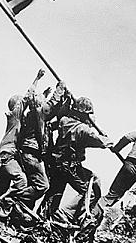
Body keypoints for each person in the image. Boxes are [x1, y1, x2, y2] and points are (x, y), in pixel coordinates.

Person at [41, 97, 113, 242]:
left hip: (56, 163)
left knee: (55, 192)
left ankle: (44, 219)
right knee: (92, 188)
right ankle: (65, 216)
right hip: (70, 165)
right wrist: (105, 138)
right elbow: (102, 142)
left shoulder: (64, 121)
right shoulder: (83, 130)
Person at [0, 69, 45, 215]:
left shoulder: (16, 120)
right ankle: (2, 204)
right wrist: (37, 79)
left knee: (1, 187)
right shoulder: (15, 115)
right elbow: (27, 96)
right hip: (8, 155)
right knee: (21, 180)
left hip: (7, 155)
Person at [17, 80, 67, 209]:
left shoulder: (33, 117)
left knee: (33, 185)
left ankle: (23, 213)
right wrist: (60, 89)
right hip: (31, 155)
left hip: (30, 155)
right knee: (42, 186)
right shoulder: (38, 114)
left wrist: (65, 103)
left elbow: (51, 124)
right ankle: (12, 199)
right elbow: (51, 106)